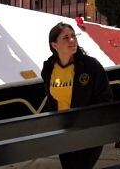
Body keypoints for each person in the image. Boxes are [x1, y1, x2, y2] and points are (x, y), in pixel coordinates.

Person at [41, 22, 113, 168]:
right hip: (63, 132)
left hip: (89, 131)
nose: (72, 40)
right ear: (54, 45)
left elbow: (105, 98)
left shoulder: (91, 66)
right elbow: (51, 100)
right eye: (66, 37)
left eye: (73, 36)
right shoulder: (49, 68)